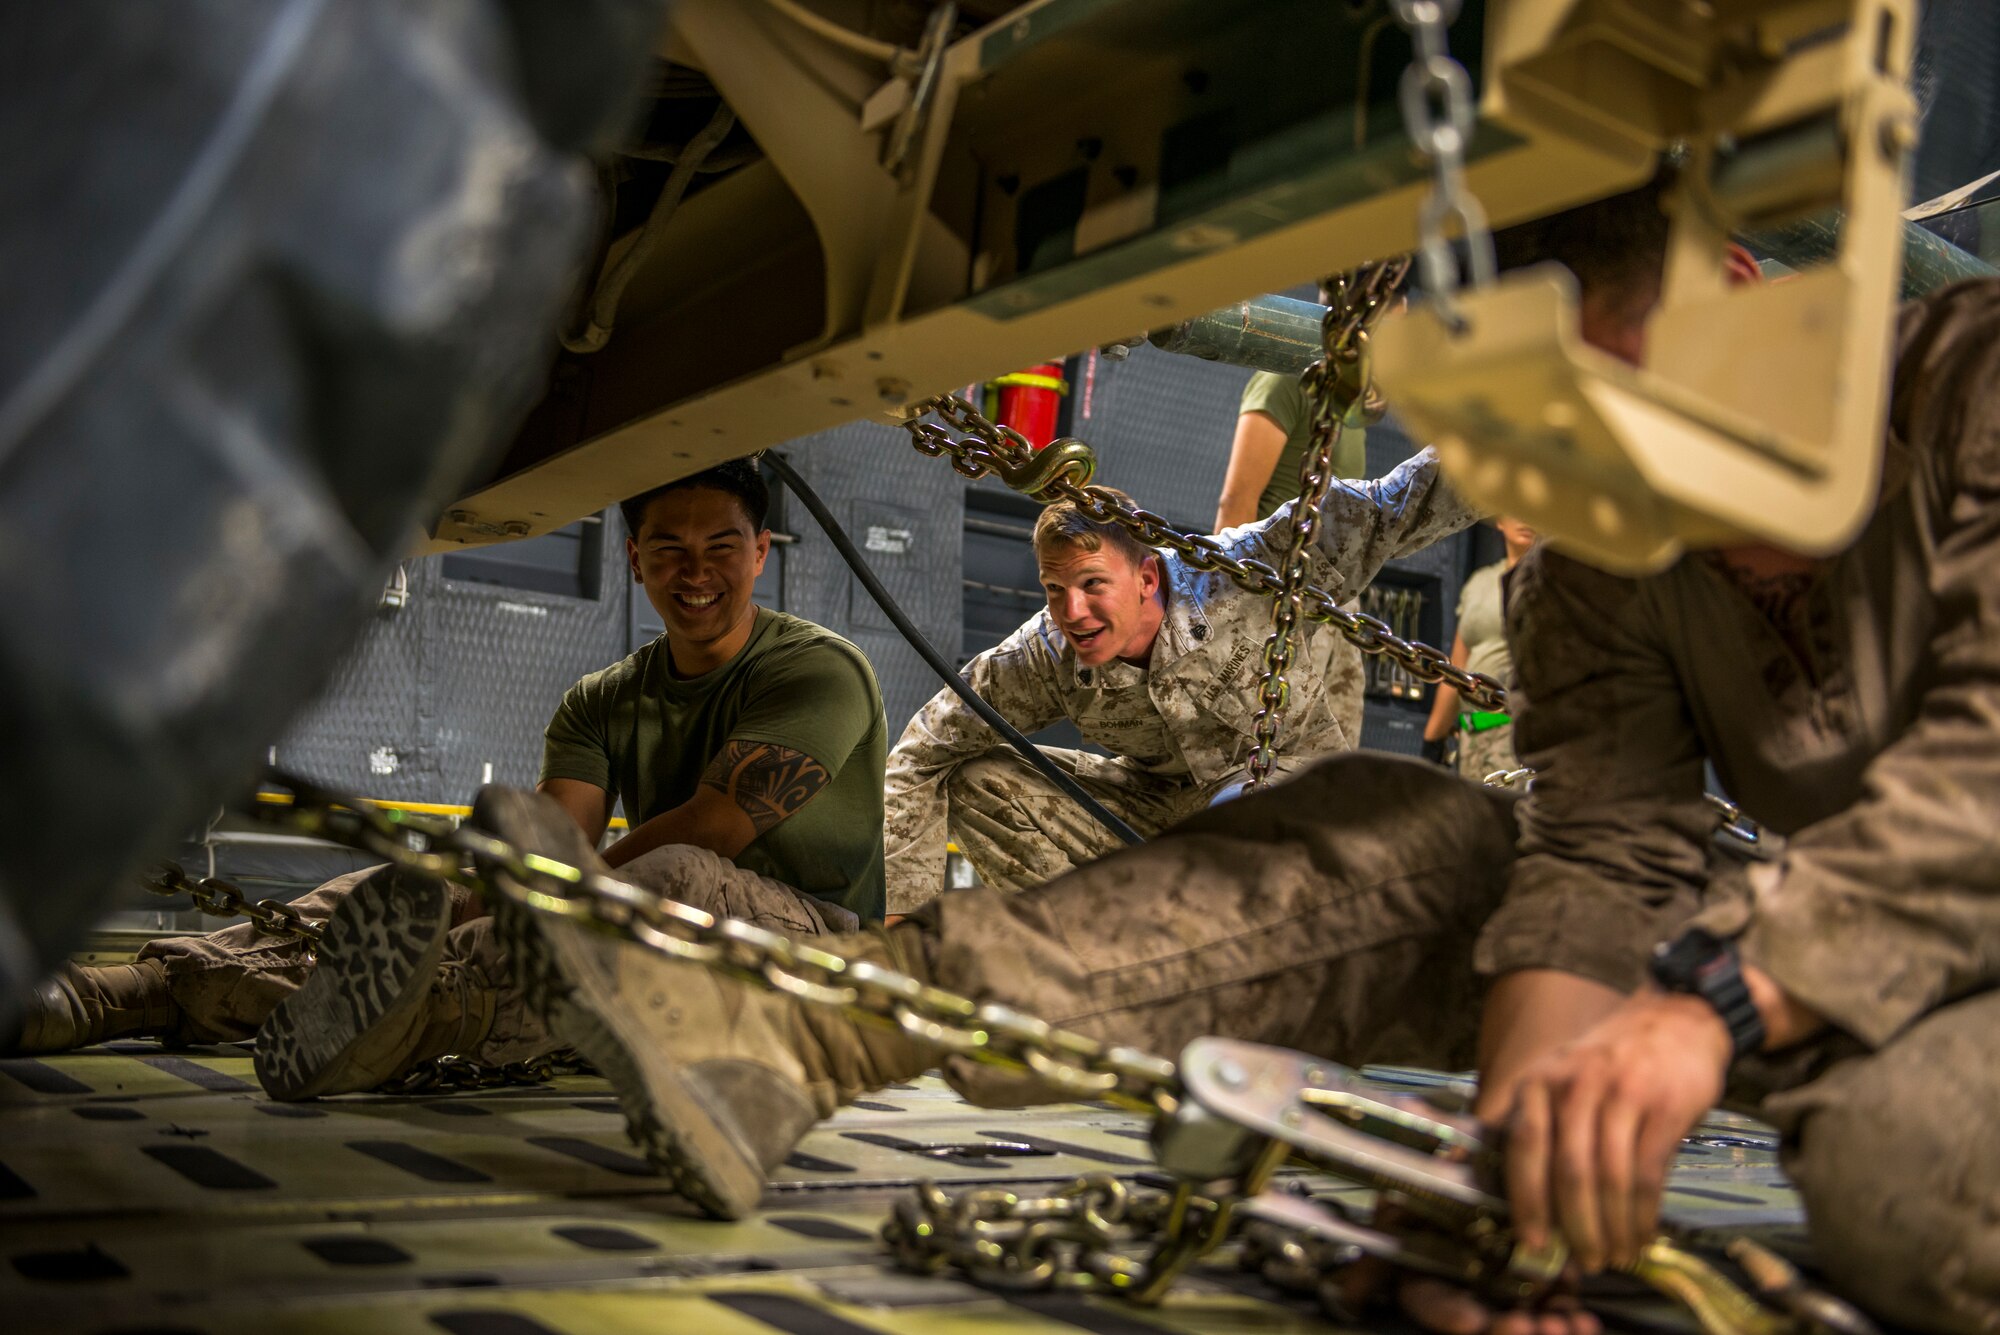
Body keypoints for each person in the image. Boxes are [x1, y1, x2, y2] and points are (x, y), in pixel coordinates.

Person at [309, 171, 1996, 1334]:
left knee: (1915, 1179)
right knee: (1407, 837)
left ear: (1748, 301)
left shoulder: (1976, 381)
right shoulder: (1610, 555)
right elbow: (1607, 855)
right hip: (1803, 952)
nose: (1618, 486)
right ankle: (780, 1022)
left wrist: (1714, 1014)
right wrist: (1524, 1181)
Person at [7, 461, 889, 1083]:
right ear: (633, 559)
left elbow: (712, 828)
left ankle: (420, 1018)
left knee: (666, 876)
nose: (695, 572)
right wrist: (478, 887)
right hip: (647, 933)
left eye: (721, 546)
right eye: (668, 548)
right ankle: (130, 992)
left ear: (762, 551)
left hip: (809, 950)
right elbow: (559, 838)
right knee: (426, 882)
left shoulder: (817, 669)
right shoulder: (603, 698)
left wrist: (513, 901)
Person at [882, 454, 1479, 914]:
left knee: (1238, 809)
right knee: (977, 779)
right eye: (1053, 589)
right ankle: (1095, 965)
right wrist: (903, 914)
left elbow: (1395, 503)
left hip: (1296, 807)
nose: (1073, 610)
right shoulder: (1041, 658)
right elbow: (922, 751)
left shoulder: (1246, 570)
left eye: (1093, 584)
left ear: (1146, 577)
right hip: (1161, 814)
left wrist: (1524, 434)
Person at [1215, 347, 1375, 778]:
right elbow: (1236, 502)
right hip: (1282, 589)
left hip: (1335, 598)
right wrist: (1225, 614)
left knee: (1332, 758)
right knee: (1268, 749)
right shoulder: (1289, 378)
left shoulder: (1350, 403)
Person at [1421, 516, 1537, 778]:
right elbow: (1457, 667)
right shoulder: (1480, 582)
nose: (1525, 519)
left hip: (1518, 735)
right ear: (1500, 521)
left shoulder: (1554, 586)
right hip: (1471, 736)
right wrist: (1432, 740)